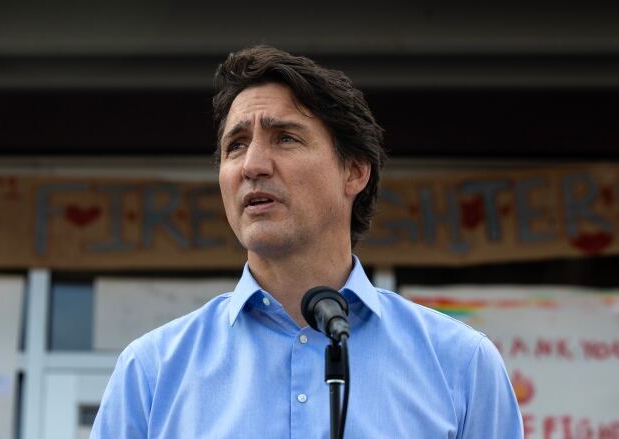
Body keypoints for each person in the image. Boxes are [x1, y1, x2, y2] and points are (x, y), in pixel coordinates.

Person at [91, 45, 523, 438]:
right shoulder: (151, 372)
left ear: (354, 171)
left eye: (285, 138)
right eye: (236, 145)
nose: (253, 165)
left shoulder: (462, 365)